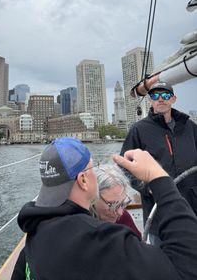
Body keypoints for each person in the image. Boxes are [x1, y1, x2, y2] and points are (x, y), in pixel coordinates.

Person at [11, 137, 197, 280]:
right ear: (83, 180)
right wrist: (158, 177)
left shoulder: (35, 232)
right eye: (93, 167)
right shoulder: (98, 241)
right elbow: (186, 267)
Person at [121, 81, 197, 245]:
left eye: (165, 95)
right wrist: (146, 187)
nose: (160, 99)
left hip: (192, 207)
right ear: (150, 100)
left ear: (173, 99)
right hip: (158, 211)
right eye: (155, 95)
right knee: (163, 260)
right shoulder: (139, 130)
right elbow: (125, 165)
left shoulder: (190, 126)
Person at [90, 164, 141, 237]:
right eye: (112, 205)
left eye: (123, 203)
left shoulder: (124, 218)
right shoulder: (77, 223)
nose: (120, 212)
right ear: (92, 197)